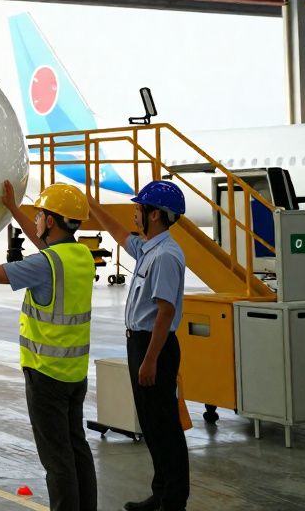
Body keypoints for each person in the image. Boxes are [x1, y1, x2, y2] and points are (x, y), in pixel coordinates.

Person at [0, 182, 97, 511]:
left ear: (51, 221)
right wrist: (13, 209)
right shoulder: (80, 256)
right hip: (74, 374)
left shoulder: (46, 265)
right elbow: (44, 244)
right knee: (77, 449)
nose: (36, 222)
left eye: (39, 216)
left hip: (45, 375)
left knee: (56, 460)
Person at [88, 181, 190, 511]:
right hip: (142, 345)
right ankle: (160, 493)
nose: (135, 214)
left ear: (155, 215)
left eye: (140, 209)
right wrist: (93, 207)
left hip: (153, 347)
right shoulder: (149, 248)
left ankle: (173, 501)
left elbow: (166, 312)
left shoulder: (165, 256)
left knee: (164, 427)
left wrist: (150, 360)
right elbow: (120, 235)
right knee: (152, 425)